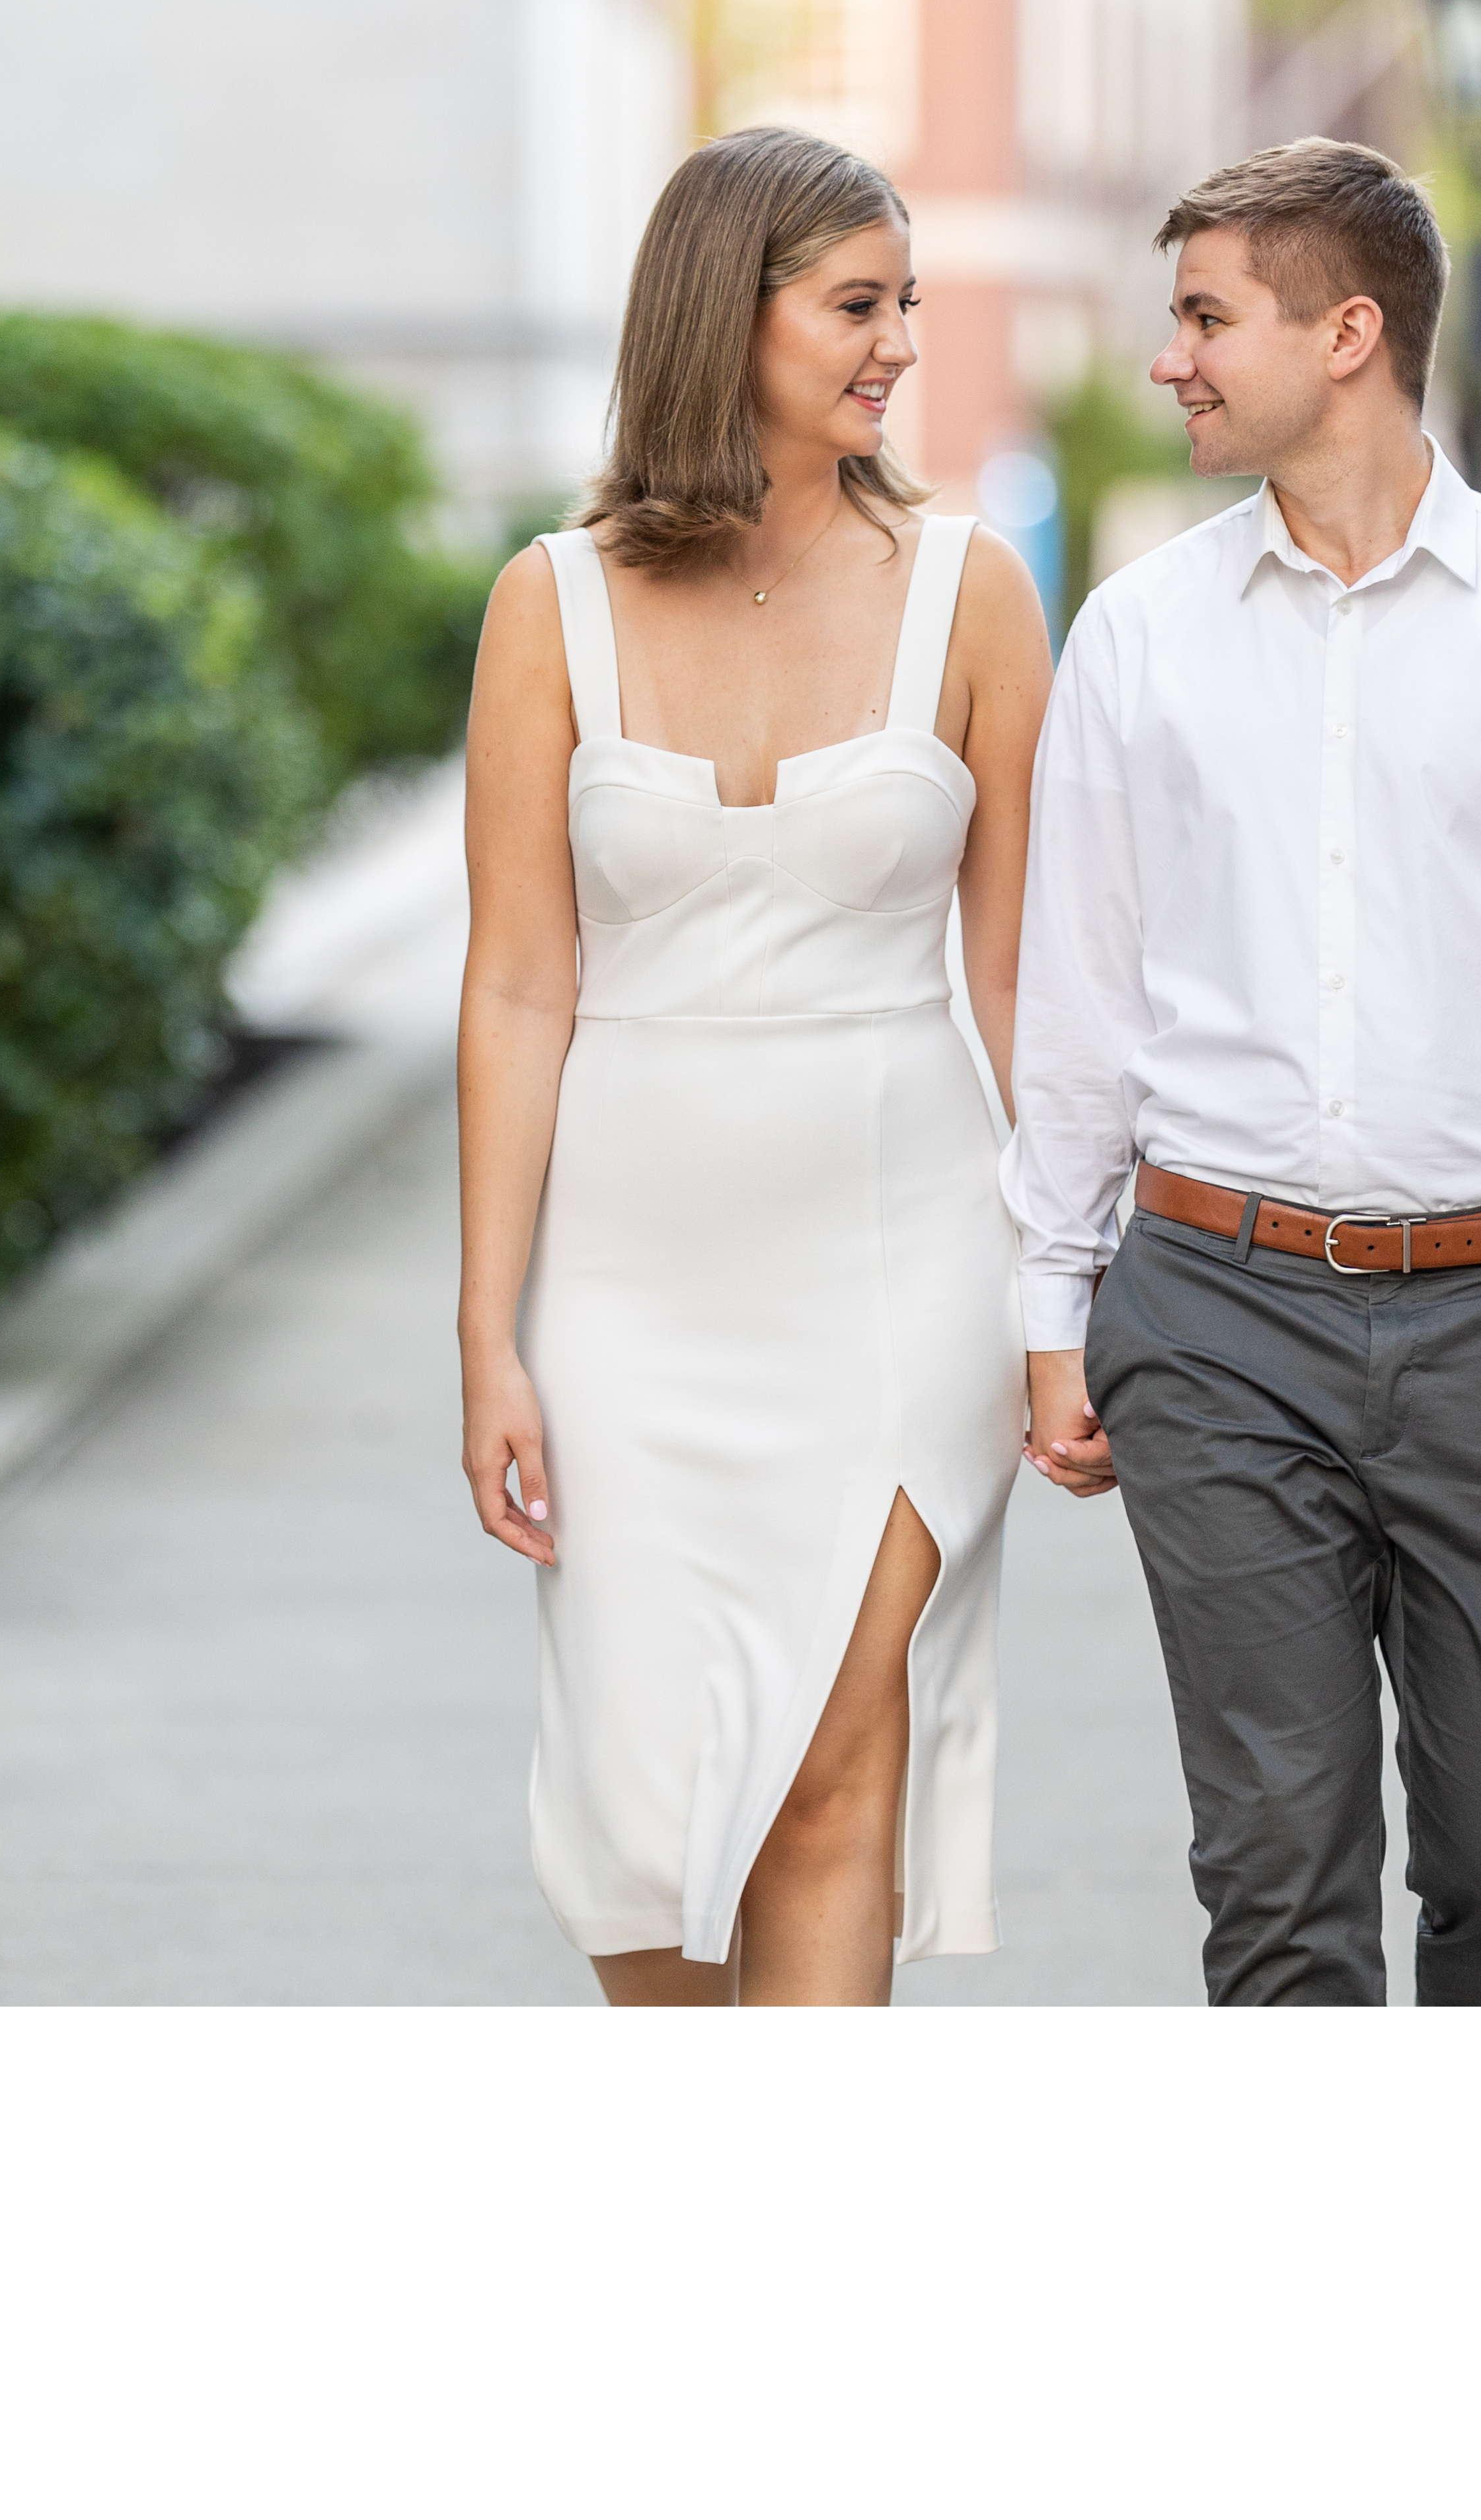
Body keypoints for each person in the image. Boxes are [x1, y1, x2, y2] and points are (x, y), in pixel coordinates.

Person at [1009, 137, 1481, 2008]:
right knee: (1276, 1876)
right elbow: (1078, 995)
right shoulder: (1142, 636)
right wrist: (1050, 1297)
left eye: (1204, 317)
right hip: (1216, 1316)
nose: (1169, 358)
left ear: (1350, 333)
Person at [458, 126, 1052, 2005]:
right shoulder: (544, 606)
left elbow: (1028, 980)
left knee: (827, 1775)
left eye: (908, 308)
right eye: (857, 306)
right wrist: (488, 1332)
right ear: (733, 313)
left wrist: (1068, 1299)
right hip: (628, 1294)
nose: (897, 349)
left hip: (904, 1270)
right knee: (642, 1842)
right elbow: (517, 986)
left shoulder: (975, 595)